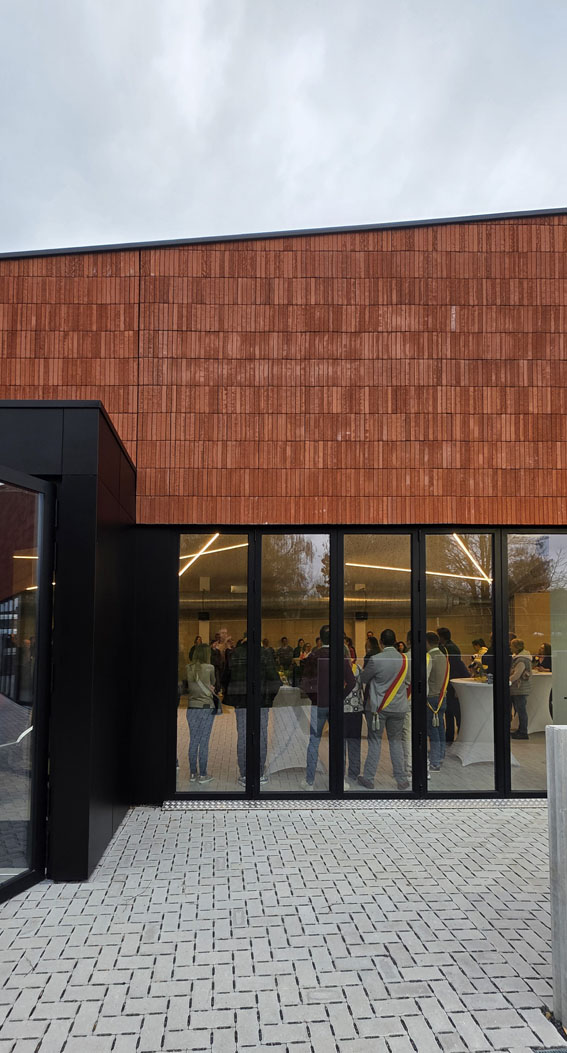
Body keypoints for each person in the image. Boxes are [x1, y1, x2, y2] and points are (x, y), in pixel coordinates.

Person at [301, 624, 355, 789]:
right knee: (338, 742)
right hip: (335, 705)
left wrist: (314, 697)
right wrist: (340, 697)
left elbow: (305, 683)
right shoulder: (340, 656)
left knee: (314, 741)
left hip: (318, 704)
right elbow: (351, 682)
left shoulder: (313, 656)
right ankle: (340, 781)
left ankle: (309, 781)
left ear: (320, 639)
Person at [358, 628, 410, 791]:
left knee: (375, 742)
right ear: (395, 641)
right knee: (396, 742)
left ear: (380, 642)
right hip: (399, 707)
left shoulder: (376, 659)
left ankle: (369, 778)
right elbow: (408, 681)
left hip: (378, 708)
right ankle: (401, 779)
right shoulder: (405, 659)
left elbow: (364, 678)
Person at [186, 643, 217, 784]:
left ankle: (193, 773)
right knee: (204, 741)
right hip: (206, 707)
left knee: (193, 740)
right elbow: (213, 684)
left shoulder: (188, 668)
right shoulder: (210, 668)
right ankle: (203, 774)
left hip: (192, 707)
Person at [437, 626, 469, 744]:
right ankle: (451, 734)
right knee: (450, 711)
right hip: (450, 682)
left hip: (451, 682)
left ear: (441, 637)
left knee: (454, 711)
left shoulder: (449, 649)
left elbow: (454, 667)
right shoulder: (450, 647)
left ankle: (457, 734)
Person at [426, 632, 450, 772]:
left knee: (432, 729)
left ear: (427, 642)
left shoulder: (429, 657)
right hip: (442, 696)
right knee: (440, 727)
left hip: (431, 697)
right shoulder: (443, 657)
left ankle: (434, 761)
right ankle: (440, 755)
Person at [510, 638, 532, 739]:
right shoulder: (523, 657)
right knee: (520, 710)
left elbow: (517, 674)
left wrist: (507, 680)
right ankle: (521, 730)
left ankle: (523, 731)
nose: (510, 648)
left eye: (512, 646)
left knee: (521, 710)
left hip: (520, 688)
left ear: (516, 647)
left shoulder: (521, 659)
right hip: (521, 688)